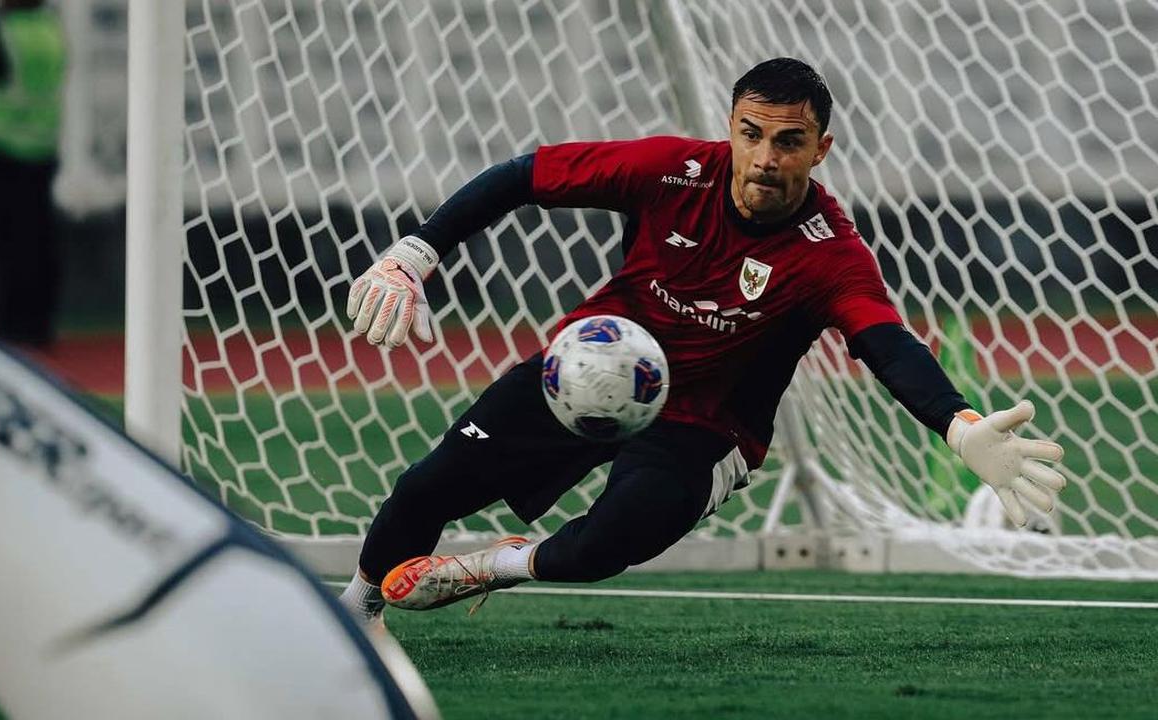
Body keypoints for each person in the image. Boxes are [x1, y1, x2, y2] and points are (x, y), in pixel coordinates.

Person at [336, 58, 1067, 623]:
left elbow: (886, 344)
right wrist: (415, 254)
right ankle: (358, 612)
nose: (765, 160)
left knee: (607, 543)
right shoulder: (670, 169)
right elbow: (524, 176)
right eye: (751, 135)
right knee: (424, 489)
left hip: (707, 424)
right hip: (593, 366)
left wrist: (959, 424)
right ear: (731, 128)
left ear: (821, 150)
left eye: (790, 142)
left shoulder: (830, 253)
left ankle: (495, 566)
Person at [0, 0, 66, 347]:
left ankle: (12, 324)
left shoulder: (2, 31)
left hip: (3, 146)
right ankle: (40, 323)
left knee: (10, 242)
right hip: (43, 146)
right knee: (40, 238)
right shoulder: (51, 30)